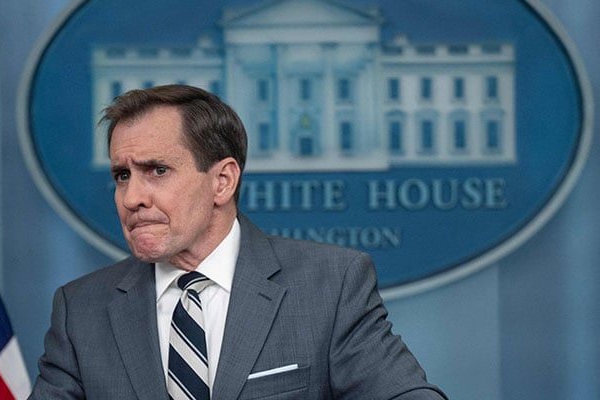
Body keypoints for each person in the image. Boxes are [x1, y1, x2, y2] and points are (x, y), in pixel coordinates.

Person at [29, 84, 447, 399]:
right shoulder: (80, 310)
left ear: (223, 181)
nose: (132, 197)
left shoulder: (329, 286)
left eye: (156, 170)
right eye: (123, 175)